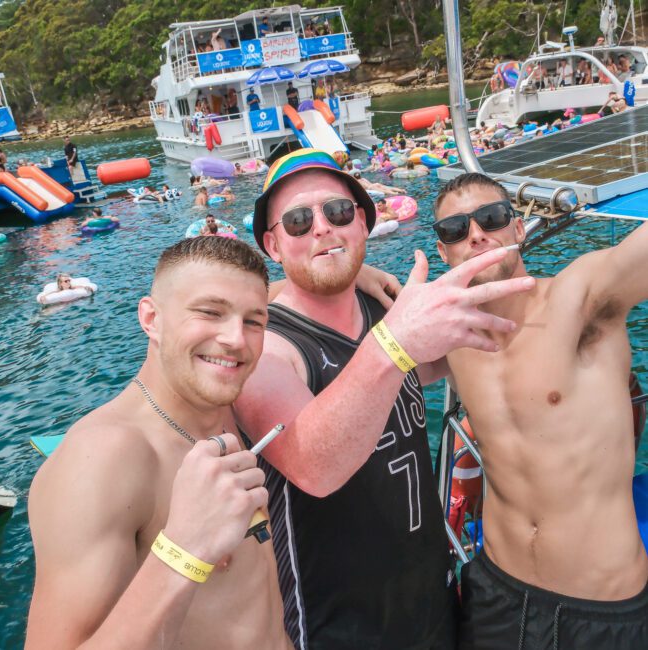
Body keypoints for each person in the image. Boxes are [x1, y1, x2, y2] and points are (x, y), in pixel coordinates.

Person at [233, 148, 536, 650]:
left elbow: (476, 339)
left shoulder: (384, 305)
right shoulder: (266, 347)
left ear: (362, 225)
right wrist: (396, 342)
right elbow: (315, 465)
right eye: (298, 221)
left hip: (435, 604)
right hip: (341, 628)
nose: (322, 229)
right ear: (273, 244)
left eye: (338, 213)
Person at [26, 237, 293, 650]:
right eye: (210, 312)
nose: (236, 339)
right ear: (151, 318)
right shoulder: (104, 459)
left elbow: (249, 299)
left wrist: (350, 273)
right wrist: (184, 550)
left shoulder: (215, 404)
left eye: (254, 322)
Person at [432, 172, 648, 650]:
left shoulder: (581, 299)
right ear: (443, 252)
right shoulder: (449, 334)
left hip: (600, 607)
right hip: (496, 591)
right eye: (454, 230)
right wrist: (362, 273)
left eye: (491, 217)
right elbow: (308, 311)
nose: (475, 234)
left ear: (519, 228)